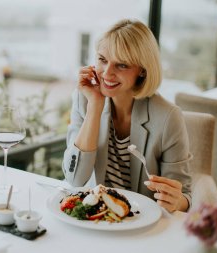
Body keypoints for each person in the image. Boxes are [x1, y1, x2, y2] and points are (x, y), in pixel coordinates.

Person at [62, 19, 192, 212]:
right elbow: (75, 179)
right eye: (102, 60)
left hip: (142, 222)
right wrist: (95, 107)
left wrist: (177, 201)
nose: (107, 73)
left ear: (142, 70)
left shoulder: (168, 117)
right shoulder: (84, 99)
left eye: (121, 65)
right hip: (96, 217)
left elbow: (185, 196)